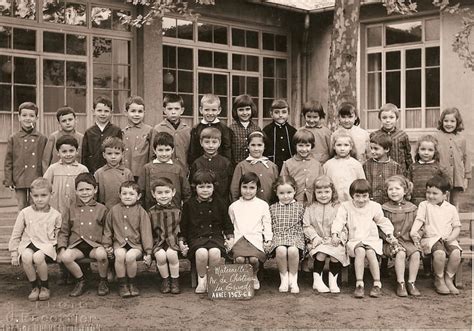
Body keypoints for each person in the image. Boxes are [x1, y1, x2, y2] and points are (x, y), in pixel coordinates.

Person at [331, 179, 397, 298]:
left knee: (371, 253)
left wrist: (390, 234)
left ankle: (377, 284)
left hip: (370, 238)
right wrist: (335, 234)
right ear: (352, 195)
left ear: (369, 195)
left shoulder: (374, 206)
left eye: (365, 196)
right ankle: (359, 284)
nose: (361, 199)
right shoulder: (346, 206)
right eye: (357, 196)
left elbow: (382, 221)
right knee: (360, 251)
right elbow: (339, 221)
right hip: (355, 239)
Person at [179, 169, 234, 294]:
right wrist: (182, 242)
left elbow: (227, 224)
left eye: (209, 186)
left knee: (215, 252)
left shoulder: (220, 203)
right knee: (201, 253)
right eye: (201, 187)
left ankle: (212, 279)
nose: (205, 190)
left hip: (215, 237)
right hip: (197, 238)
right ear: (195, 188)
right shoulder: (189, 204)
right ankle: (202, 279)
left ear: (214, 187)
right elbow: (184, 226)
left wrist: (230, 239)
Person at [8, 178, 62, 301]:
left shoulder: (56, 215)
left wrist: (59, 250)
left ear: (51, 195)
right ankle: (34, 286)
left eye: (44, 195)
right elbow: (16, 234)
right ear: (31, 196)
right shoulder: (25, 213)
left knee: (38, 257)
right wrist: (13, 252)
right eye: (36, 196)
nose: (39, 199)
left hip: (46, 245)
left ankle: (44, 286)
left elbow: (58, 234)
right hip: (28, 243)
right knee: (26, 257)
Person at [57, 173, 109, 297]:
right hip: (77, 245)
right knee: (66, 257)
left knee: (102, 255)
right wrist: (62, 248)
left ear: (95, 190)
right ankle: (81, 280)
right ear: (76, 191)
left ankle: (103, 281)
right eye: (81, 190)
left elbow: (107, 230)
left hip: (95, 245)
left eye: (88, 189)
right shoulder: (71, 209)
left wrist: (106, 245)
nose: (85, 193)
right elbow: (64, 231)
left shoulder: (102, 209)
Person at [410, 175, 462, 295]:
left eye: (435, 193)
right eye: (428, 192)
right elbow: (419, 220)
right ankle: (439, 279)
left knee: (455, 254)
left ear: (445, 195)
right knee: (440, 253)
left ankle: (448, 278)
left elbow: (456, 227)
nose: (430, 196)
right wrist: (414, 231)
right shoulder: (424, 205)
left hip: (448, 239)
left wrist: (452, 237)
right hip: (431, 239)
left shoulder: (451, 208)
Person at [102, 181, 153, 298]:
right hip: (119, 243)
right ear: (119, 195)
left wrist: (148, 252)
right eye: (124, 193)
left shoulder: (141, 212)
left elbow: (146, 233)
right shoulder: (114, 210)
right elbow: (108, 230)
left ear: (138, 196)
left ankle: (132, 283)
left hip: (136, 245)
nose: (127, 196)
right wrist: (107, 245)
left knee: (130, 257)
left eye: (131, 194)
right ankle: (122, 284)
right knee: (119, 255)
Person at [303, 175, 348, 293]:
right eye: (319, 192)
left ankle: (333, 281)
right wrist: (314, 237)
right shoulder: (310, 207)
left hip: (333, 240)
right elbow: (306, 225)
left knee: (335, 253)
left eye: (327, 191)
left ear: (332, 192)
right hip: (317, 240)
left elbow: (343, 225)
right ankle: (317, 281)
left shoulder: (338, 207)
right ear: (314, 193)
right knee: (321, 252)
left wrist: (338, 237)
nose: (323, 195)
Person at [228, 172, 272, 290]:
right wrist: (229, 240)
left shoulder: (262, 205)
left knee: (253, 259)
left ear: (257, 189)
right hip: (239, 239)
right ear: (240, 188)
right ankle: (241, 278)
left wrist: (268, 239)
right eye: (245, 187)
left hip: (255, 239)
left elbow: (267, 223)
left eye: (252, 188)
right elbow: (230, 225)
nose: (248, 191)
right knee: (240, 259)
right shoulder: (234, 206)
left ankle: (253, 275)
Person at [4, 102, 47, 211]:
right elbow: (9, 160)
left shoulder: (41, 138)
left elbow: (45, 160)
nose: (28, 118)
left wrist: (45, 178)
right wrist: (9, 180)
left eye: (31, 116)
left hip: (36, 177)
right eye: (24, 115)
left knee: (37, 205)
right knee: (22, 207)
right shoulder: (14, 138)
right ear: (19, 117)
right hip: (20, 177)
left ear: (36, 118)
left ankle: (36, 227)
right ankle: (22, 227)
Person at [382, 175, 421, 297]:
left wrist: (417, 235)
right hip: (391, 242)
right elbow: (379, 226)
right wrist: (387, 237)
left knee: (416, 253)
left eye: (397, 189)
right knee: (401, 253)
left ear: (405, 191)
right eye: (390, 189)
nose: (394, 192)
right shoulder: (384, 208)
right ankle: (401, 283)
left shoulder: (412, 208)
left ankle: (411, 282)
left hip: (407, 241)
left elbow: (419, 225)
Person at [269, 176, 305, 294]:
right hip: (279, 236)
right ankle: (283, 278)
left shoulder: (300, 207)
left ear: (294, 190)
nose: (286, 196)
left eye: (289, 192)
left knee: (293, 250)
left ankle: (293, 280)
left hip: (295, 235)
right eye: (282, 193)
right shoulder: (273, 208)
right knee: (281, 250)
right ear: (276, 193)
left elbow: (304, 225)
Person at [149, 177, 184, 294]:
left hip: (173, 241)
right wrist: (148, 250)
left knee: (171, 254)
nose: (163, 196)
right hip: (158, 242)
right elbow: (149, 231)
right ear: (153, 194)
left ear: (173, 193)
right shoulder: (151, 212)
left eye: (167, 192)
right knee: (160, 256)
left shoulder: (178, 211)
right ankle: (165, 280)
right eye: (159, 193)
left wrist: (182, 243)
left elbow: (181, 229)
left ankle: (175, 280)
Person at [140, 132, 191, 210]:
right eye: (160, 150)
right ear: (154, 150)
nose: (164, 154)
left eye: (167, 150)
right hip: (152, 212)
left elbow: (186, 192)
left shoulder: (178, 169)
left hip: (174, 212)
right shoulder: (148, 168)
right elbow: (141, 191)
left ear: (172, 150)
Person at [434, 107, 471, 209]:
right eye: (446, 121)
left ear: (457, 122)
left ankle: (454, 222)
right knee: (441, 200)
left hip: (457, 175)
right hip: (441, 175)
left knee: (455, 202)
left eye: (452, 121)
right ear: (442, 122)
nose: (449, 124)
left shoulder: (461, 139)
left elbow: (466, 157)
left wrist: (466, 178)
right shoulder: (436, 137)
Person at [43, 135, 88, 213]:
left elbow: (88, 187)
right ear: (58, 153)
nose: (68, 154)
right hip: (57, 208)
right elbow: (44, 186)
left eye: (71, 151)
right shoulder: (53, 168)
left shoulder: (82, 169)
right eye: (64, 151)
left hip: (77, 209)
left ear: (77, 151)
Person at [230, 131, 278, 203]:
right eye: (253, 145)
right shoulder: (241, 166)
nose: (256, 149)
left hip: (268, 208)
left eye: (259, 145)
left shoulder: (272, 166)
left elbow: (277, 188)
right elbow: (234, 190)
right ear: (248, 146)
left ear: (264, 146)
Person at [189, 127, 232, 204]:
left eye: (214, 142)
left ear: (219, 143)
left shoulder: (225, 163)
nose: (210, 146)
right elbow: (193, 185)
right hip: (201, 203)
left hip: (221, 204)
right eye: (207, 142)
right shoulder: (197, 163)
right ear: (201, 143)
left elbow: (229, 186)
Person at [188, 94, 233, 165]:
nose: (210, 113)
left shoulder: (224, 129)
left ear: (219, 110)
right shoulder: (196, 129)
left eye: (214, 110)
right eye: (206, 110)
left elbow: (227, 149)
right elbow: (193, 151)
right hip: (201, 166)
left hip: (219, 166)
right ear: (201, 110)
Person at [82, 95, 123, 174]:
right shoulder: (89, 132)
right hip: (93, 171)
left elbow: (120, 152)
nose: (103, 114)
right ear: (93, 111)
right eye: (99, 110)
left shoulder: (116, 131)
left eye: (106, 111)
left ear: (111, 112)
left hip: (112, 171)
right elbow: (84, 156)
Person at [280, 129, 322, 205]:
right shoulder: (288, 164)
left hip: (313, 203)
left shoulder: (317, 164)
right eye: (300, 145)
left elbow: (321, 183)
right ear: (295, 146)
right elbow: (283, 183)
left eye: (307, 145)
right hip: (293, 203)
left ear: (312, 146)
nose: (304, 149)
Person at [369, 103, 413, 175]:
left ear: (397, 119)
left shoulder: (402, 135)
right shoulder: (374, 135)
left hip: (399, 171)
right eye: (384, 118)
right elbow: (371, 153)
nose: (388, 120)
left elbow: (407, 155)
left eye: (391, 117)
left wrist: (409, 172)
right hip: (380, 171)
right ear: (380, 119)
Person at [154, 94, 191, 172]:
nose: (173, 112)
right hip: (163, 171)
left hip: (183, 171)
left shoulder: (188, 130)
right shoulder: (158, 129)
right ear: (164, 110)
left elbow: (190, 154)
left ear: (182, 110)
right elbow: (152, 154)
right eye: (170, 109)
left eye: (176, 109)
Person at [323, 131, 365, 202]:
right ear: (333, 146)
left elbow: (362, 184)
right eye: (339, 145)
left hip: (352, 202)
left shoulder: (356, 164)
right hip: (334, 202)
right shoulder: (328, 165)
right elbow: (324, 184)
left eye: (346, 145)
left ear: (351, 147)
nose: (342, 148)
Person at [94, 137, 134, 209]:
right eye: (109, 153)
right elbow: (95, 196)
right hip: (105, 210)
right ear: (104, 155)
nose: (113, 157)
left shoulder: (127, 173)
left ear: (122, 154)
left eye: (117, 153)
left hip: (123, 210)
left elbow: (132, 193)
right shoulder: (99, 173)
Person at [122, 95, 155, 182]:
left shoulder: (150, 131)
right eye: (133, 111)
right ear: (126, 112)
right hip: (126, 174)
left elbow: (152, 154)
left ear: (144, 112)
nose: (136, 114)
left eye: (140, 111)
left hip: (143, 174)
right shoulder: (123, 132)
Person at [363, 134, 402, 205]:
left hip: (389, 201)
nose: (372, 151)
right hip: (371, 202)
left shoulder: (395, 166)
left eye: (376, 149)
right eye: (371, 148)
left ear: (386, 149)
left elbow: (399, 184)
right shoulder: (366, 165)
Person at [407, 135, 446, 206]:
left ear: (435, 152)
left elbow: (445, 185)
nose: (426, 153)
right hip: (416, 201)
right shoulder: (412, 167)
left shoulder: (439, 168)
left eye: (430, 150)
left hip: (434, 200)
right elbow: (408, 183)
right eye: (423, 149)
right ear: (418, 150)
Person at [42, 106, 83, 173]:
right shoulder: (53, 137)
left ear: (75, 120)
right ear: (59, 123)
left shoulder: (81, 138)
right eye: (64, 121)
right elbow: (46, 161)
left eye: (70, 119)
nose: (67, 123)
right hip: (57, 175)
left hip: (75, 174)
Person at [262, 99, 297, 171]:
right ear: (271, 114)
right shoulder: (267, 130)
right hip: (271, 167)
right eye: (277, 112)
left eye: (284, 112)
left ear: (288, 114)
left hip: (290, 168)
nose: (280, 115)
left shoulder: (293, 131)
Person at [229, 94, 261, 165]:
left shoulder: (256, 129)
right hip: (236, 166)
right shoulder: (231, 129)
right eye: (241, 110)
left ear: (252, 109)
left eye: (247, 109)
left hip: (253, 165)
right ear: (235, 111)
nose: (244, 113)